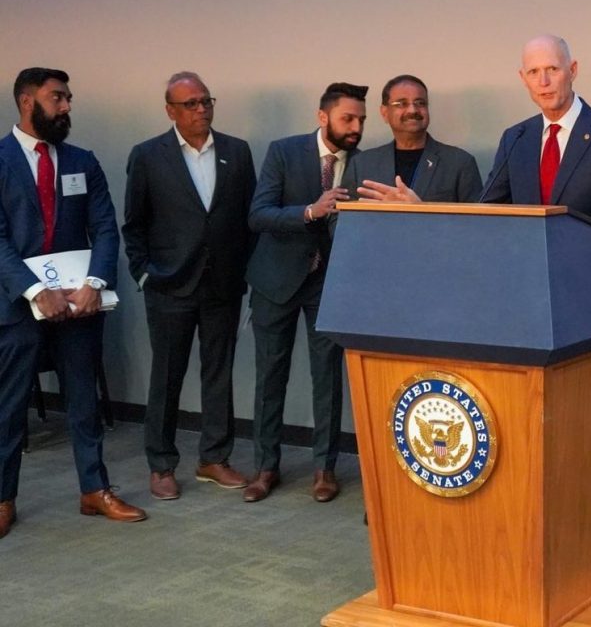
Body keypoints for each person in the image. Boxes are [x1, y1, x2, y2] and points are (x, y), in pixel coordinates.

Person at [358, 35, 591, 541]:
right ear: (523, 79)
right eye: (533, 72)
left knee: (589, 423)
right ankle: (532, 528)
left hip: (586, 308)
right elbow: (489, 216)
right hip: (525, 308)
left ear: (573, 69)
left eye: (552, 69)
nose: (544, 80)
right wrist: (427, 213)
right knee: (529, 424)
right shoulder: (516, 137)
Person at [0, 67, 147, 538]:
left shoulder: (83, 161)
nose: (66, 107)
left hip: (80, 304)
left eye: (68, 99)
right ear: (27, 101)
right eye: (57, 98)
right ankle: (3, 498)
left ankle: (94, 489)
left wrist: (94, 282)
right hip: (18, 304)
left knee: (84, 399)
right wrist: (34, 290)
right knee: (9, 406)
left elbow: (105, 228)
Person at [123, 72, 256, 501]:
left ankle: (214, 459)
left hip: (222, 284)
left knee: (219, 374)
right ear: (170, 111)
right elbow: (134, 225)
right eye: (191, 104)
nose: (202, 110)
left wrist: (245, 271)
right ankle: (161, 464)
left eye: (206, 101)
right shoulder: (147, 156)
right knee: (166, 376)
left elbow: (247, 219)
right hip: (169, 285)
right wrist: (144, 273)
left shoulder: (236, 151)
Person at [242, 82, 367, 503]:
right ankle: (265, 468)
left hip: (329, 284)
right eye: (347, 118)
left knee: (327, 377)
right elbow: (259, 215)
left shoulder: (367, 163)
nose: (355, 127)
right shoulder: (284, 151)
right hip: (276, 280)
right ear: (323, 117)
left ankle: (324, 469)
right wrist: (311, 211)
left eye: (361, 120)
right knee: (269, 375)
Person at [342, 75, 481, 202]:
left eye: (420, 103)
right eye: (402, 104)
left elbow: (477, 224)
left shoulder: (460, 163)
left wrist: (420, 211)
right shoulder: (361, 165)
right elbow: (341, 220)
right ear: (384, 113)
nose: (412, 110)